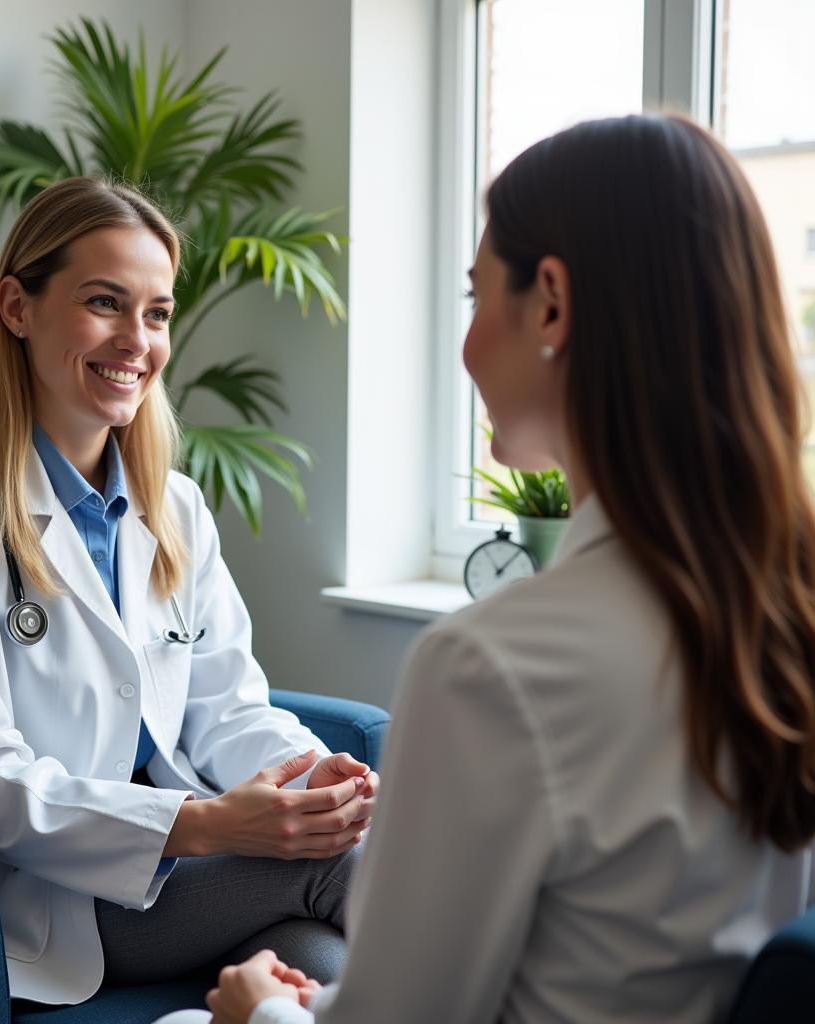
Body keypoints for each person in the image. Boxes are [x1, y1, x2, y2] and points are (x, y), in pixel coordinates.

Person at [160, 113, 815, 1024]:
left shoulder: (493, 666)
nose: (467, 346)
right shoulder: (784, 610)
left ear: (550, 303)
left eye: (475, 298)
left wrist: (259, 1012)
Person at [0, 176, 379, 1008]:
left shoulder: (173, 506)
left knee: (317, 960)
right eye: (105, 302)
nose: (137, 339)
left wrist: (309, 779)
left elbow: (227, 705)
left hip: (166, 869)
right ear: (17, 308)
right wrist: (206, 825)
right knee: (350, 874)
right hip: (28, 893)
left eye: (158, 312)